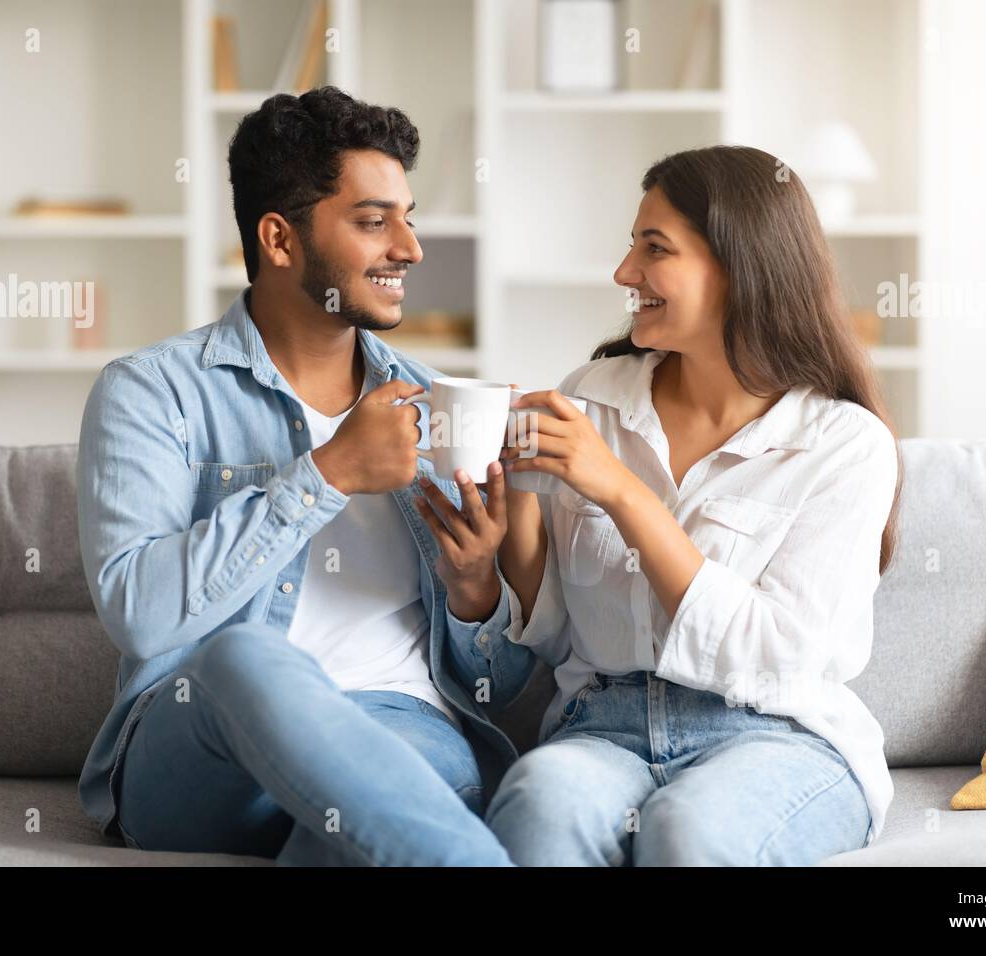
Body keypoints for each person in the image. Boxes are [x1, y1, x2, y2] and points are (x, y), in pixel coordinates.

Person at [75, 87, 530, 866]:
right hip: (203, 746)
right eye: (373, 221)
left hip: (399, 728)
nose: (412, 249)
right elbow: (141, 617)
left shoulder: (442, 403)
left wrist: (478, 589)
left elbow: (505, 679)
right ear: (280, 241)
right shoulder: (153, 392)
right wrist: (326, 474)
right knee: (245, 656)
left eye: (408, 217)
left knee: (357, 827)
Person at [477, 145, 904, 865]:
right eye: (630, 245)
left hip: (775, 733)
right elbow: (551, 632)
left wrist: (619, 489)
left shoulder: (843, 444)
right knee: (538, 807)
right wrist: (517, 491)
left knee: (690, 831)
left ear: (740, 269)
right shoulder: (593, 396)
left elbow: (774, 655)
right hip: (601, 728)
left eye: (655, 249)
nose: (624, 274)